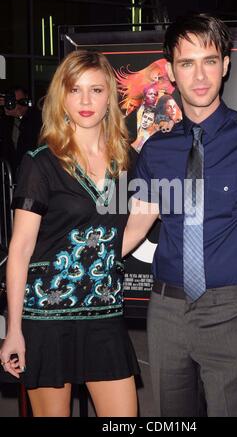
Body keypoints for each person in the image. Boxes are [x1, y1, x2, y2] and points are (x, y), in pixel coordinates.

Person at [122, 14, 237, 416]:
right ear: (170, 71)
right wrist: (79, 260)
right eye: (187, 63)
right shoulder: (156, 149)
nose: (200, 75)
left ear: (226, 64)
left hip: (233, 313)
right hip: (167, 314)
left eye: (210, 60)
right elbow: (135, 224)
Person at [0, 50, 139, 417]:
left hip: (105, 313)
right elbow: (20, 250)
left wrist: (108, 256)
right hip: (47, 318)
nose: (86, 101)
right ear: (62, 97)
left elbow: (127, 227)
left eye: (96, 90)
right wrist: (13, 329)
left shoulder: (124, 161)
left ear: (110, 97)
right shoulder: (40, 163)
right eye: (75, 90)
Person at [0, 86, 42, 177]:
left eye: (21, 102)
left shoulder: (36, 116)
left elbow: (30, 137)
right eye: (13, 102)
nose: (18, 106)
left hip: (32, 170)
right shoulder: (8, 120)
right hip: (14, 172)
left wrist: (20, 116)